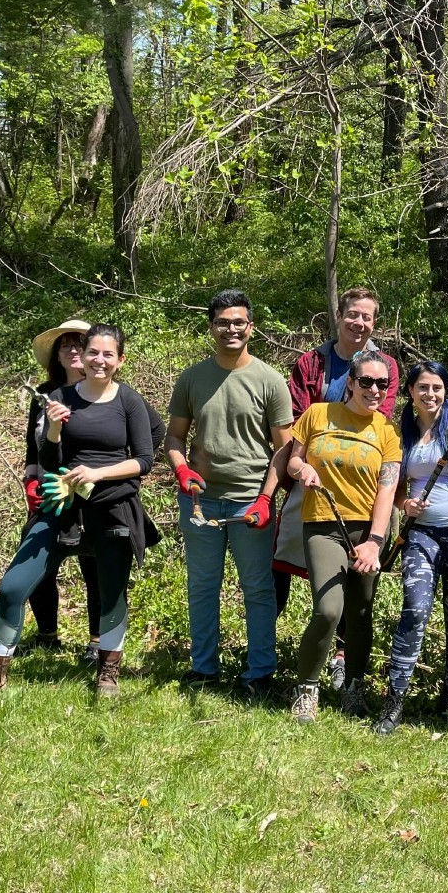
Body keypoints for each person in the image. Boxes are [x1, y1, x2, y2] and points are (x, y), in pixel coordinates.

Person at [0, 323, 159, 697]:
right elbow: (46, 457)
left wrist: (98, 472)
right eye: (93, 352)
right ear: (83, 356)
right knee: (13, 587)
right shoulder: (60, 396)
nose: (99, 360)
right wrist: (54, 430)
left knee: (111, 592)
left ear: (120, 360)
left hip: (113, 506)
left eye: (108, 354)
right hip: (62, 505)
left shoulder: (129, 401)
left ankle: (108, 672)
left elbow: (144, 460)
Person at [269, 287, 400, 688]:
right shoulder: (312, 363)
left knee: (359, 603)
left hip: (365, 495)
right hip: (314, 490)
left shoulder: (385, 367)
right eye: (353, 314)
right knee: (288, 572)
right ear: (338, 314)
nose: (359, 323)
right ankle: (267, 655)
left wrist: (377, 537)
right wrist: (299, 468)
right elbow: (295, 427)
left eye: (368, 317)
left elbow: (379, 424)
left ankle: (345, 662)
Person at [166, 289, 294, 694]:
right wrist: (182, 468)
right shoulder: (192, 377)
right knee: (203, 586)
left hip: (249, 502)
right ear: (212, 328)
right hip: (200, 500)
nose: (231, 329)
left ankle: (260, 673)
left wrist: (266, 497)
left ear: (251, 328)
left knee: (257, 587)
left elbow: (285, 448)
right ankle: (204, 668)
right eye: (223, 322)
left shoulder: (270, 380)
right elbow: (173, 437)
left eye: (239, 322)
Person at [20, 320, 165, 665]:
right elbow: (34, 446)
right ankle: (46, 635)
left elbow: (151, 438)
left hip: (102, 495)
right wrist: (31, 480)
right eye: (65, 345)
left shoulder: (121, 396)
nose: (73, 350)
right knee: (39, 564)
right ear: (60, 355)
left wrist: (117, 469)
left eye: (77, 343)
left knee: (98, 568)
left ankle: (97, 643)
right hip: (54, 494)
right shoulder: (48, 394)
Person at [375, 361, 448, 734]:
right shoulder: (401, 432)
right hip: (420, 534)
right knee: (415, 609)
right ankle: (394, 703)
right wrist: (404, 505)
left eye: (437, 387)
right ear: (410, 391)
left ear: (446, 389)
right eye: (423, 387)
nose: (430, 394)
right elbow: (394, 488)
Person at [286, 349, 402, 722]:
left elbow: (388, 490)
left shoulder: (387, 433)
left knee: (361, 612)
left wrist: (375, 542)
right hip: (323, 525)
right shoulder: (318, 414)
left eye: (381, 383)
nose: (374, 389)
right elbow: (292, 458)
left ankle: (353, 687)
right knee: (328, 610)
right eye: (366, 381)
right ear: (350, 382)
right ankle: (307, 688)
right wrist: (303, 468)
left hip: (367, 531)